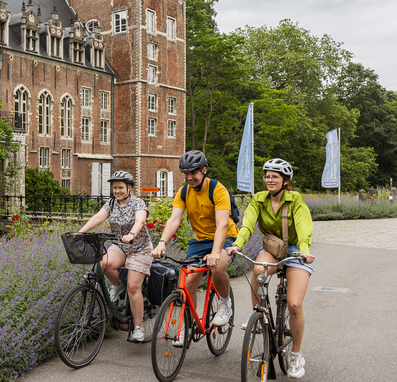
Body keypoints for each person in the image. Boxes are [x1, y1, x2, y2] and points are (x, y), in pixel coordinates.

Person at [226, 158, 315, 379]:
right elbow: (247, 223)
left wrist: (304, 250)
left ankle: (295, 355)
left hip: (295, 250)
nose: (269, 179)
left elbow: (304, 228)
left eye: (275, 176)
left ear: (286, 180)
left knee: (294, 303)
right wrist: (237, 243)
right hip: (273, 246)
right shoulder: (259, 199)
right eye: (267, 176)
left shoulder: (295, 200)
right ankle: (259, 314)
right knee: (258, 269)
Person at [151, 150, 237, 337]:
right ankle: (188, 324)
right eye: (186, 173)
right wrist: (162, 242)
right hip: (200, 240)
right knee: (189, 281)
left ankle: (224, 302)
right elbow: (174, 220)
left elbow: (222, 223)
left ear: (204, 170)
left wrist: (215, 252)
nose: (189, 177)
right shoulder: (183, 192)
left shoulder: (217, 189)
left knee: (217, 267)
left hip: (225, 237)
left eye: (193, 173)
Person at [78, 170, 153, 343]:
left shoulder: (138, 203)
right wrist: (80, 232)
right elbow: (98, 217)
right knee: (103, 263)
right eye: (114, 188)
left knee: (133, 287)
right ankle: (117, 285)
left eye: (120, 187)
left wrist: (132, 234)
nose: (117, 191)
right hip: (120, 246)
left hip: (139, 248)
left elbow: (140, 221)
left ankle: (138, 327)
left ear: (129, 187)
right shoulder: (111, 204)